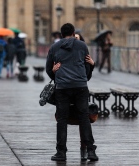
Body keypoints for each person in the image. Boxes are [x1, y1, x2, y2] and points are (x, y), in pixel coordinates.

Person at [46, 23, 98, 161]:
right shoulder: (82, 45)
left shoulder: (54, 47)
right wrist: (84, 77)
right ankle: (91, 151)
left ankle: (61, 152)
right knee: (84, 117)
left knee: (62, 119)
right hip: (80, 86)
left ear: (61, 34)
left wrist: (56, 75)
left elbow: (48, 70)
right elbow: (87, 67)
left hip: (62, 87)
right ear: (73, 32)